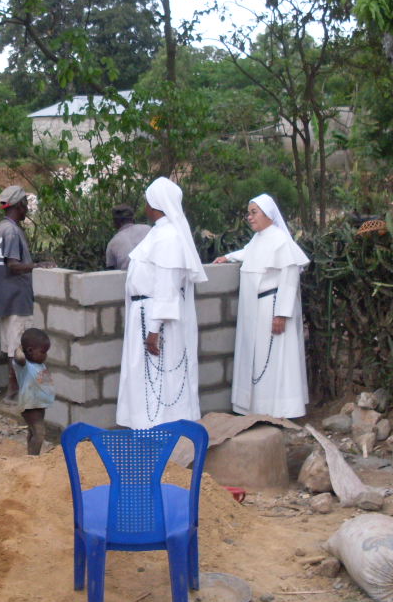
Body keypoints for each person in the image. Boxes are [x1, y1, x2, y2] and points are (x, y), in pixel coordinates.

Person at [116, 177, 207, 429]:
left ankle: (159, 431)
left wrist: (154, 330)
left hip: (154, 318)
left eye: (147, 200)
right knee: (149, 379)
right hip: (145, 313)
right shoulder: (159, 233)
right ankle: (148, 428)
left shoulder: (168, 238)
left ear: (155, 203)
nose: (145, 206)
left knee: (158, 378)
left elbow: (166, 287)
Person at [213, 194, 310, 419]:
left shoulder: (280, 240)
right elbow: (249, 253)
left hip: (272, 308)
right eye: (249, 213)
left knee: (274, 360)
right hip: (256, 310)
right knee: (258, 359)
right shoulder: (259, 239)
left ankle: (281, 409)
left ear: (268, 214)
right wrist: (228, 257)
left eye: (254, 212)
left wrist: (282, 314)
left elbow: (289, 277)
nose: (249, 217)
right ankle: (259, 408)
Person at [0, 185, 52, 402]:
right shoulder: (12, 231)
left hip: (3, 298)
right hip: (17, 297)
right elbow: (14, 265)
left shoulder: (1, 228)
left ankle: (13, 391)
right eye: (25, 203)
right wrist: (38, 265)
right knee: (21, 348)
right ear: (19, 205)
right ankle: (21, 392)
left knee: (10, 347)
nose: (27, 208)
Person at [12, 328, 55, 456]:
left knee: (33, 431)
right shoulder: (24, 366)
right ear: (30, 350)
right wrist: (20, 348)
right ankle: (34, 458)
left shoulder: (38, 364)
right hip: (30, 406)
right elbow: (19, 357)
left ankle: (30, 454)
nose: (46, 355)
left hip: (39, 404)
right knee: (39, 432)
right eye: (43, 352)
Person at [105, 204, 151, 271]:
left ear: (115, 223)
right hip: (156, 275)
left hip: (130, 279)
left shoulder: (112, 244)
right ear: (133, 218)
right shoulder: (148, 229)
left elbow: (110, 273)